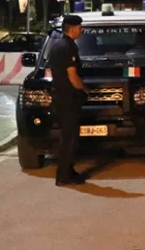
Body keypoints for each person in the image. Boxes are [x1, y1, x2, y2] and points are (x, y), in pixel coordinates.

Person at [44, 15, 88, 186]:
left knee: (68, 137)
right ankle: (63, 175)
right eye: (80, 27)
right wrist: (83, 89)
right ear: (72, 28)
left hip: (60, 96)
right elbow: (72, 75)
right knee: (69, 139)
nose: (81, 30)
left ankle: (68, 170)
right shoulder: (68, 47)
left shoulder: (56, 45)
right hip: (68, 98)